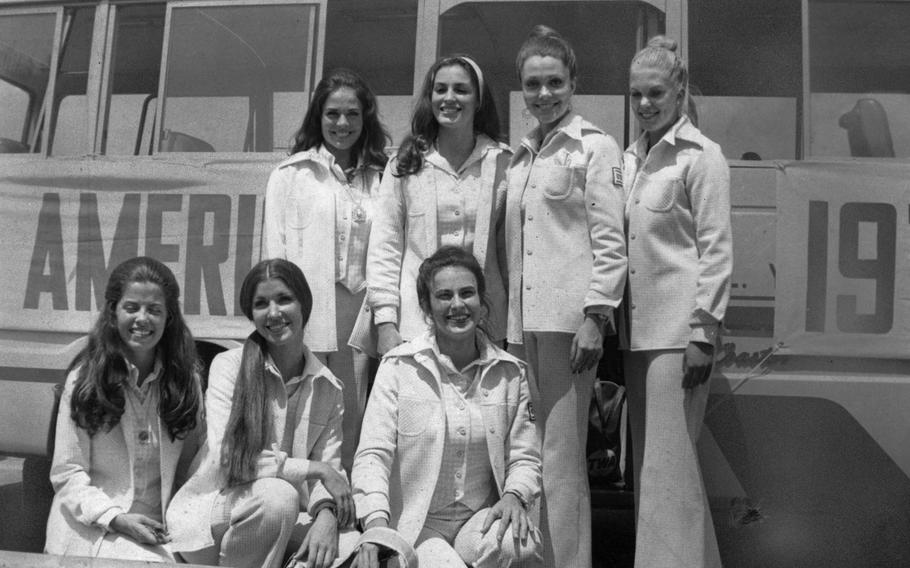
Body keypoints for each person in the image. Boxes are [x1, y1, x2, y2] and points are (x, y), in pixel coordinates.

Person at [504, 25, 627, 568]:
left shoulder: (596, 147)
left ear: (573, 81)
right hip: (521, 325)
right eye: (533, 84)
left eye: (554, 81)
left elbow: (610, 241)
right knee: (526, 454)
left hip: (568, 327)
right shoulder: (523, 155)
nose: (544, 94)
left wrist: (596, 317)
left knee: (560, 461)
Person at [351, 245, 542, 568]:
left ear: (482, 303)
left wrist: (514, 494)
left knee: (518, 546)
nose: (457, 305)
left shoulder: (510, 372)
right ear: (426, 307)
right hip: (417, 525)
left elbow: (525, 456)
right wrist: (375, 523)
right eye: (444, 296)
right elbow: (373, 454)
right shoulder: (398, 367)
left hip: (478, 518)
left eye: (467, 293)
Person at [167, 259, 358, 568]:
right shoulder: (229, 366)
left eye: (284, 299)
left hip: (284, 515)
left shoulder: (329, 387)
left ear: (303, 305)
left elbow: (332, 469)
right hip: (210, 515)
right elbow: (228, 457)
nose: (273, 312)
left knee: (352, 547)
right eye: (261, 303)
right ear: (251, 314)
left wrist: (326, 515)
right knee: (278, 498)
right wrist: (313, 469)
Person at [621, 36, 732, 568]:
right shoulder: (632, 157)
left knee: (669, 470)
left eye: (656, 93)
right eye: (636, 96)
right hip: (637, 336)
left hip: (680, 334)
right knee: (657, 469)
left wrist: (703, 334)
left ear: (680, 90)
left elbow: (716, 251)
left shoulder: (701, 157)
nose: (645, 105)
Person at [264, 68, 390, 472]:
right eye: (333, 113)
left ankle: (346, 500)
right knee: (304, 406)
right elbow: (274, 255)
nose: (342, 124)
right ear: (318, 117)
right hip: (312, 306)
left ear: (365, 119)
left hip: (361, 310)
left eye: (352, 114)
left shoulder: (382, 176)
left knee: (355, 408)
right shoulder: (291, 175)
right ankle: (300, 498)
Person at [45, 256, 203, 561]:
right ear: (113, 312)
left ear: (169, 318)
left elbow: (192, 467)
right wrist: (116, 517)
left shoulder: (186, 380)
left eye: (154, 310)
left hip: (159, 529)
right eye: (131, 307)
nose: (142, 319)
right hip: (94, 525)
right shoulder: (84, 378)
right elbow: (67, 472)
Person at [361, 55, 510, 357]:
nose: (449, 98)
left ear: (479, 100)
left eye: (461, 90)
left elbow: (510, 253)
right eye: (440, 89)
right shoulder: (404, 164)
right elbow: (385, 248)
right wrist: (386, 323)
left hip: (485, 327)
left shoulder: (503, 163)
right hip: (415, 325)